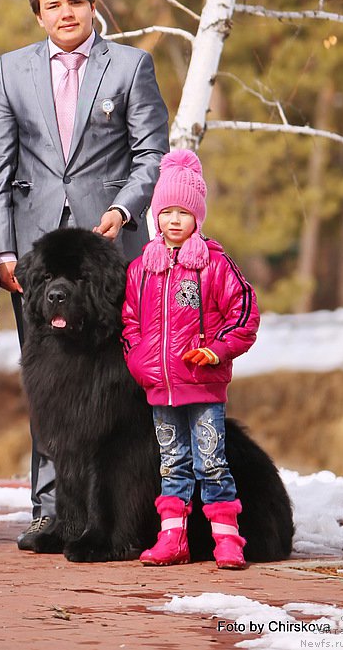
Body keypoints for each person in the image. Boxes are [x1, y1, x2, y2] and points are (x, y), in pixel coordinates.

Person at [0, 0, 170, 549]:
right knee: (49, 382)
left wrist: (124, 210)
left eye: (75, 2)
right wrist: (5, 249)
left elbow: (152, 153)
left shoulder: (130, 65)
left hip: (109, 256)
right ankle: (53, 510)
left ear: (93, 6)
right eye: (52, 6)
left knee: (116, 384)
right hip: (38, 262)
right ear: (38, 15)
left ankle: (121, 507)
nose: (65, 14)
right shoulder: (13, 69)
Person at [121, 150, 260, 570]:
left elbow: (244, 314)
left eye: (184, 212)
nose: (174, 220)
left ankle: (227, 540)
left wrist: (217, 349)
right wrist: (140, 361)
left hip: (203, 387)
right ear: (156, 215)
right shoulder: (142, 269)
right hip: (160, 389)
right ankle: (172, 538)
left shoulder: (213, 265)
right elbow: (130, 322)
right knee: (172, 464)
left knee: (212, 463)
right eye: (167, 211)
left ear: (198, 216)